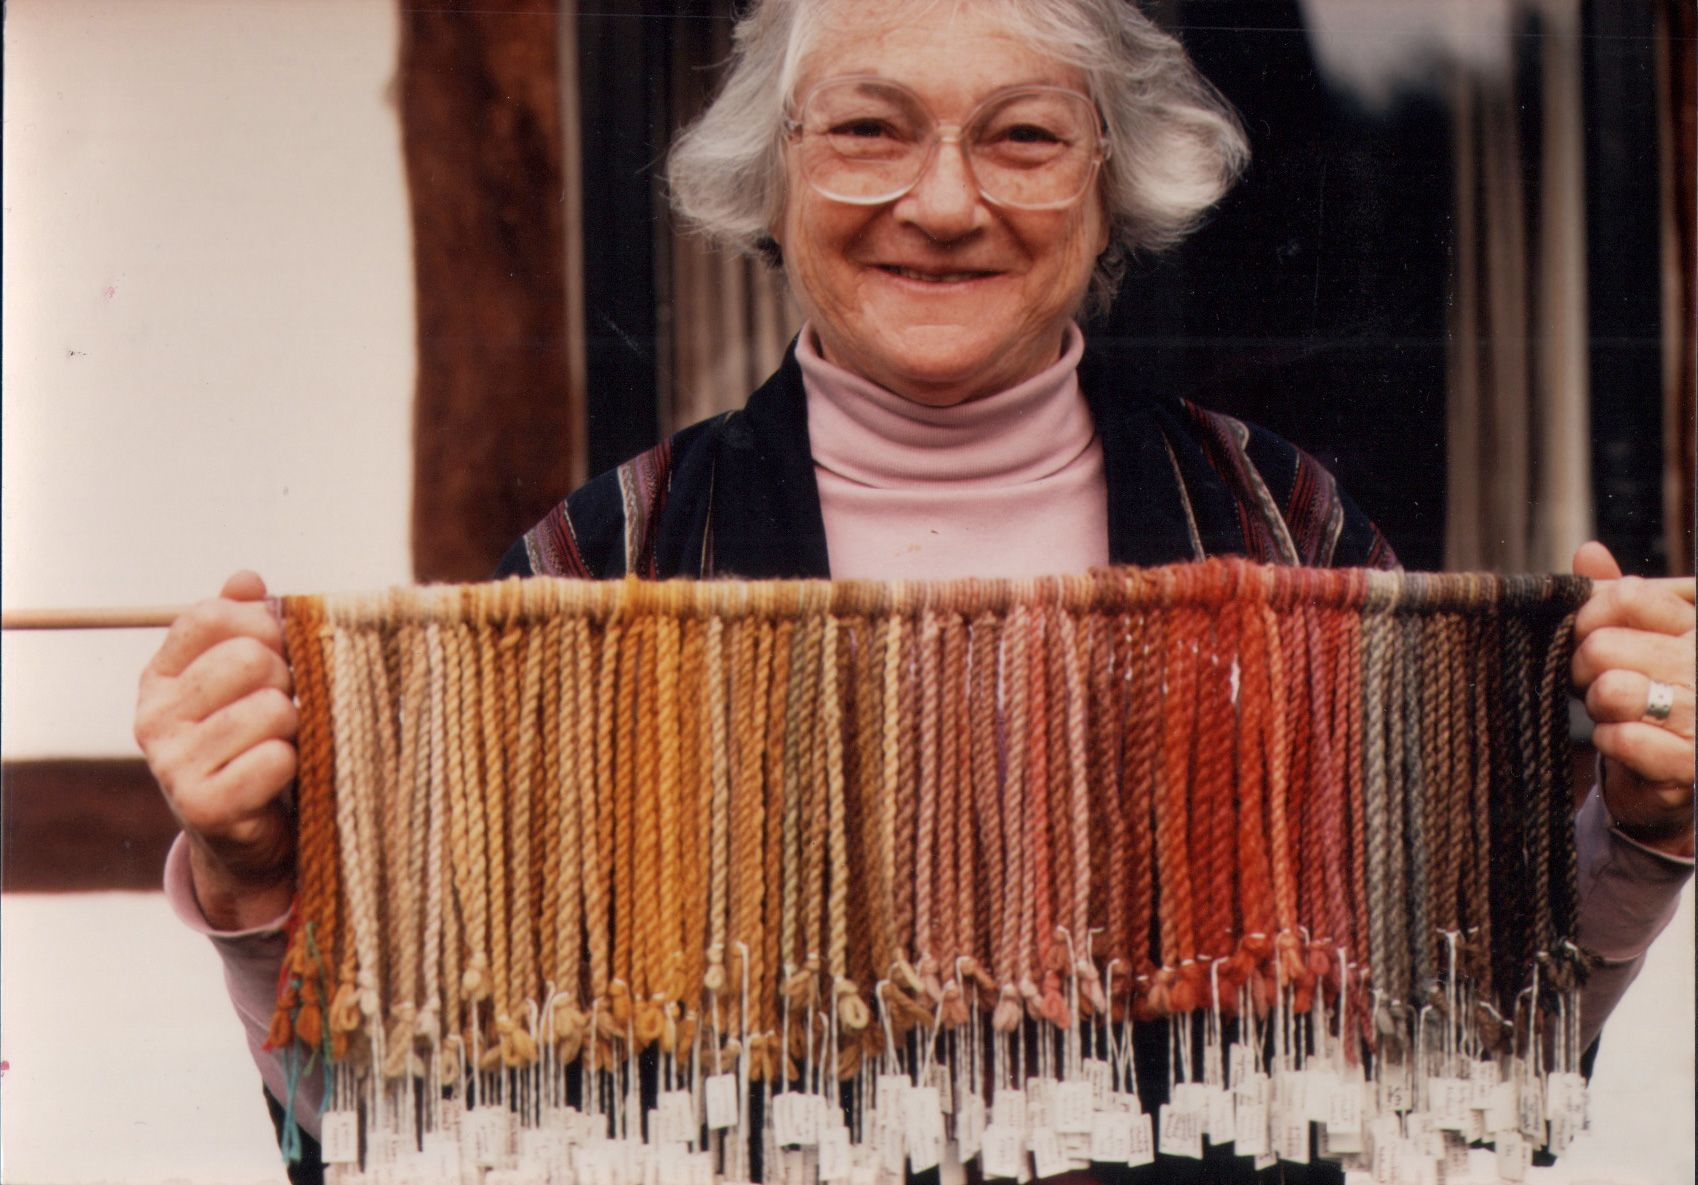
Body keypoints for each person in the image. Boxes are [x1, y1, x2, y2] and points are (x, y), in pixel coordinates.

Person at [135, 1, 1695, 1180]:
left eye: (1022, 135)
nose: (943, 204)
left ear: (1109, 185)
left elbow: (1479, 1053)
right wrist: (258, 883)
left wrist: (1642, 829)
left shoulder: (1278, 526)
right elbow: (405, 1123)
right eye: (869, 130)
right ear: (775, 173)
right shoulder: (606, 561)